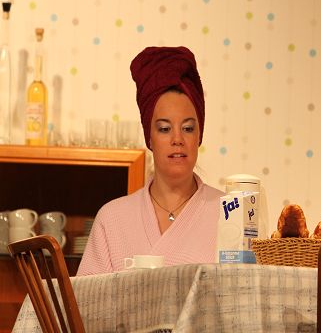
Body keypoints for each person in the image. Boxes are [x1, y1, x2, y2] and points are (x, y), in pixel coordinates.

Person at [77, 46, 224, 275]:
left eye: (188, 128)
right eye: (164, 129)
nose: (177, 139)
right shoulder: (112, 219)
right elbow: (88, 296)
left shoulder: (228, 213)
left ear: (199, 136)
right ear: (150, 138)